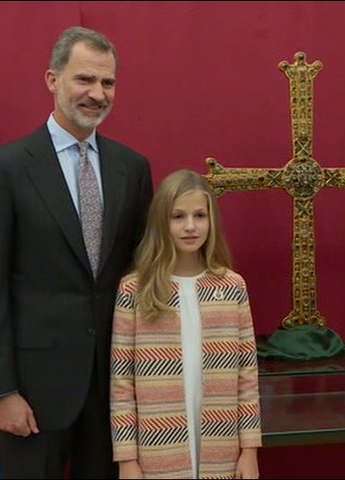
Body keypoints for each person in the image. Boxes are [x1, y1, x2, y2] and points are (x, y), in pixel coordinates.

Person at [0, 26, 153, 478]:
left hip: (115, 389)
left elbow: (144, 270)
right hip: (32, 394)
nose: (97, 93)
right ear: (53, 80)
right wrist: (2, 391)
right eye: (84, 79)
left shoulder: (133, 168)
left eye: (107, 83)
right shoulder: (4, 170)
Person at [109, 169, 261, 479]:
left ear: (212, 220)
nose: (190, 226)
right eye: (178, 216)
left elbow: (247, 376)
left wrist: (249, 451)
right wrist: (127, 460)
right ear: (162, 222)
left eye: (199, 215)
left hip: (223, 448)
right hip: (156, 452)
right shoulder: (134, 290)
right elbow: (121, 382)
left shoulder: (232, 287)